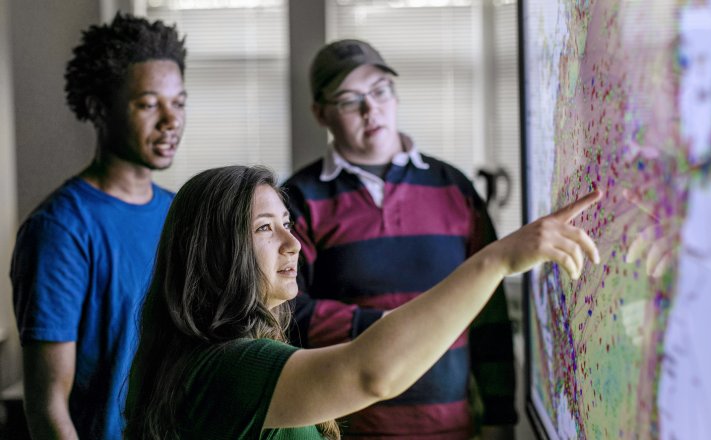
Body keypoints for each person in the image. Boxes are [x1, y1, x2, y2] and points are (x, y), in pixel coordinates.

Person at [124, 164, 601, 439]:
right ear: (215, 251)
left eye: (287, 223)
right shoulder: (230, 366)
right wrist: (496, 260)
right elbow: (373, 372)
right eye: (265, 228)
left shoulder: (205, 354)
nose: (293, 244)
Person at [281, 39, 517, 439]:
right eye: (349, 100)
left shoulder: (454, 188)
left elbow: (489, 314)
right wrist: (383, 326)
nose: (370, 109)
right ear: (320, 113)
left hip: (452, 430)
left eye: (379, 91)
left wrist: (500, 416)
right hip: (348, 431)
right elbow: (285, 313)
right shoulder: (297, 200)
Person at [9, 13, 187, 439]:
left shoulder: (180, 212)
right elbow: (47, 406)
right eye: (149, 104)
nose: (171, 120)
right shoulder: (61, 229)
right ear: (98, 108)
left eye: (179, 102)